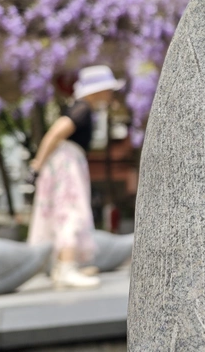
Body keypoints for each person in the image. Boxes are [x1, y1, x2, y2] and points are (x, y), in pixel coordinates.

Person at [28, 65, 124, 289]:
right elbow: (54, 133)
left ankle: (64, 265)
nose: (111, 94)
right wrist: (37, 165)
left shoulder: (82, 108)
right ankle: (66, 268)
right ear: (97, 90)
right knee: (70, 211)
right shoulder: (82, 109)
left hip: (69, 162)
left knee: (66, 212)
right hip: (67, 165)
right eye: (108, 89)